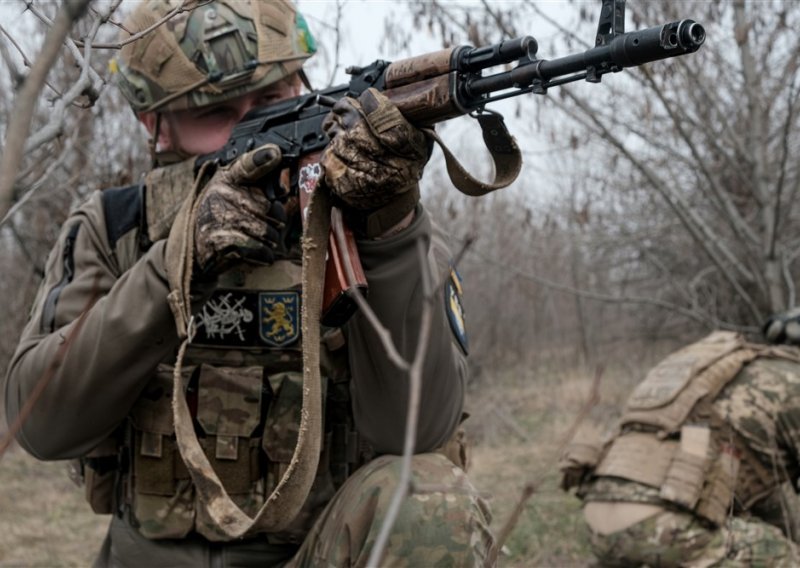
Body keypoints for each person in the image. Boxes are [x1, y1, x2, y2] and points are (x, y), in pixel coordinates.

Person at [3, 1, 492, 566]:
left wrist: (389, 230)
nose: (251, 131)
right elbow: (38, 425)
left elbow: (418, 430)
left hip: (314, 553)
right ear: (155, 126)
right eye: (215, 113)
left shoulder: (366, 218)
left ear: (304, 84)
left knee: (431, 498)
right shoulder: (118, 230)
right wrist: (173, 269)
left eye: (270, 100)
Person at [560, 327, 800, 567]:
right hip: (666, 528)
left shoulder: (725, 369)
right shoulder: (792, 381)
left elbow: (764, 495)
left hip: (597, 527)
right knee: (779, 554)